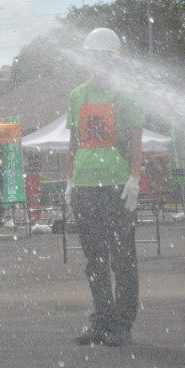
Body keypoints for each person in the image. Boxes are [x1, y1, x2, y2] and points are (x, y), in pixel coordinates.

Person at [67, 27, 146, 346]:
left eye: (103, 58)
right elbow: (73, 141)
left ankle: (123, 323)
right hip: (85, 185)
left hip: (116, 185)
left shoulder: (127, 94)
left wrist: (134, 178)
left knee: (123, 257)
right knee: (94, 258)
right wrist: (69, 179)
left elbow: (136, 139)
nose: (97, 64)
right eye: (92, 58)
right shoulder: (76, 95)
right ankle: (101, 320)